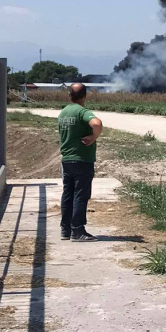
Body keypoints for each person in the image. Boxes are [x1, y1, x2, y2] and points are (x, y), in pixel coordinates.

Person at [57, 83, 103, 241]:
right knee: (80, 195)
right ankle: (77, 230)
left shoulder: (63, 113)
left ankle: (65, 229)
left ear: (69, 95)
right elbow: (96, 123)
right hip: (82, 159)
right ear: (85, 96)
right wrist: (93, 137)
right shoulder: (82, 112)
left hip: (66, 159)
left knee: (67, 194)